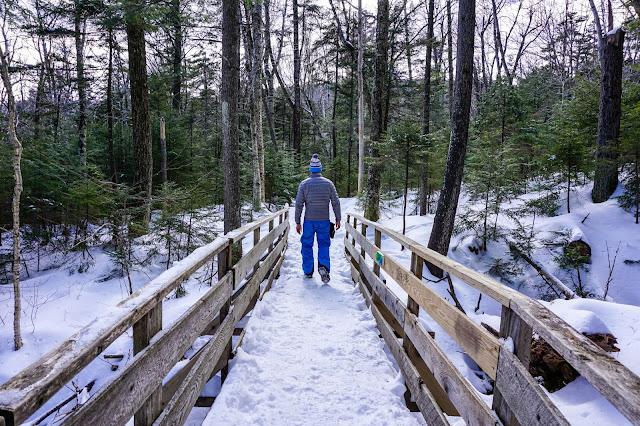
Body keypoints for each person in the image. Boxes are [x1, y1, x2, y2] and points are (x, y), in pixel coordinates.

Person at [295, 154, 341, 283]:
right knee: (324, 244)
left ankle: (308, 271)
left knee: (307, 245)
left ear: (310, 169)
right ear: (320, 169)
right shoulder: (328, 184)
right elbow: (335, 202)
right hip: (324, 221)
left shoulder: (304, 184)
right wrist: (338, 218)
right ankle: (324, 268)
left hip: (309, 221)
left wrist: (297, 222)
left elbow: (299, 204)